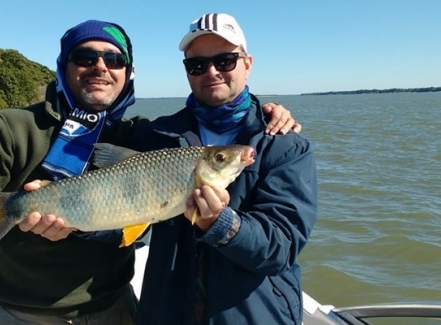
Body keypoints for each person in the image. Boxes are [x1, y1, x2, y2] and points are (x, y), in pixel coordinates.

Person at [0, 19, 300, 325]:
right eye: (85, 57)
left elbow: (147, 213)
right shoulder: (16, 127)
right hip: (23, 314)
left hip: (115, 309)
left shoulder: (141, 134)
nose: (100, 67)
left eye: (114, 60)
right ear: (63, 65)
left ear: (127, 74)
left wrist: (266, 112)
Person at [134, 13, 318, 325]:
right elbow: (120, 213)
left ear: (248, 63)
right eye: (197, 65)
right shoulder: (155, 136)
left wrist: (222, 224)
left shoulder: (284, 145)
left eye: (225, 61)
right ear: (187, 71)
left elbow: (281, 246)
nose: (212, 72)